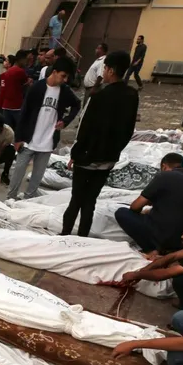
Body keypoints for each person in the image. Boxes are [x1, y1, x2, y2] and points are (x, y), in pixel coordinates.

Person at [61, 51, 139, 236]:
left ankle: (65, 236)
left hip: (87, 157)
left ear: (111, 70)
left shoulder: (98, 95)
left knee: (76, 200)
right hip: (108, 159)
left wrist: (75, 154)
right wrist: (115, 150)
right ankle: (83, 237)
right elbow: (128, 129)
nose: (103, 72)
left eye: (105, 68)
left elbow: (85, 128)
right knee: (90, 201)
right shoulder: (132, 95)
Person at [6, 56, 79, 200]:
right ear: (55, 72)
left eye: (67, 77)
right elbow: (24, 113)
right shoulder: (37, 88)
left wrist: (65, 121)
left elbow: (77, 105)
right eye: (63, 76)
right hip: (29, 140)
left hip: (47, 142)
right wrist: (18, 138)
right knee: (18, 172)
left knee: (37, 177)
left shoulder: (64, 91)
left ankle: (28, 201)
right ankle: (10, 198)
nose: (65, 80)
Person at [115, 152, 183, 254]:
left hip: (164, 236)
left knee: (122, 213)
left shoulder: (163, 176)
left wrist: (147, 205)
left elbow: (135, 207)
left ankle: (151, 249)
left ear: (164, 166)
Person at [0, 49, 30, 129]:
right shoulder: (20, 71)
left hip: (6, 105)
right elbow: (26, 86)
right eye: (26, 60)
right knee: (20, 128)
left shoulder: (7, 73)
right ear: (22, 59)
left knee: (8, 129)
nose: (27, 63)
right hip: (16, 106)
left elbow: (2, 91)